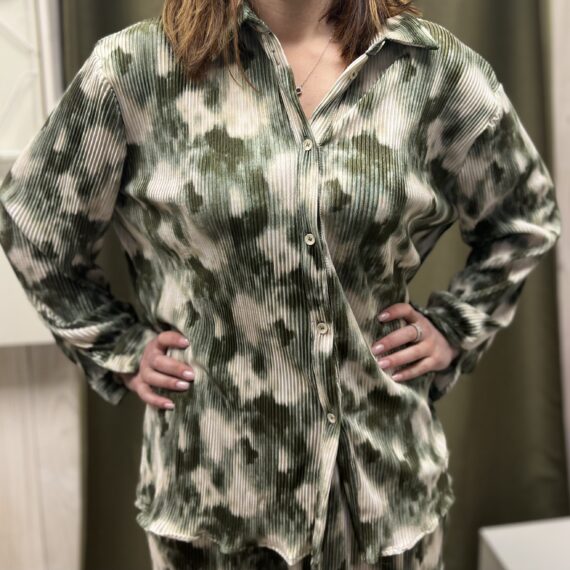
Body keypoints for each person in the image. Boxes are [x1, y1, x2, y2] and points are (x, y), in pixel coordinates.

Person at [0, 0, 560, 568]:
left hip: (382, 504)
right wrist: (122, 348)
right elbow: (32, 226)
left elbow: (525, 215)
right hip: (215, 515)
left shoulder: (430, 69)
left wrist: (455, 326)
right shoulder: (136, 70)